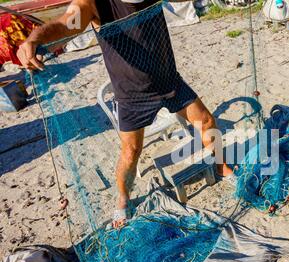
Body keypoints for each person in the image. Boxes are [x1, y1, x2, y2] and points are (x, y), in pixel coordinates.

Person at [17, 0, 233, 228]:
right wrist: (35, 39)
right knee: (131, 152)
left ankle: (222, 166)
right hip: (131, 94)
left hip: (169, 80)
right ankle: (123, 198)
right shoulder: (93, 3)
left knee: (207, 121)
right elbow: (67, 22)